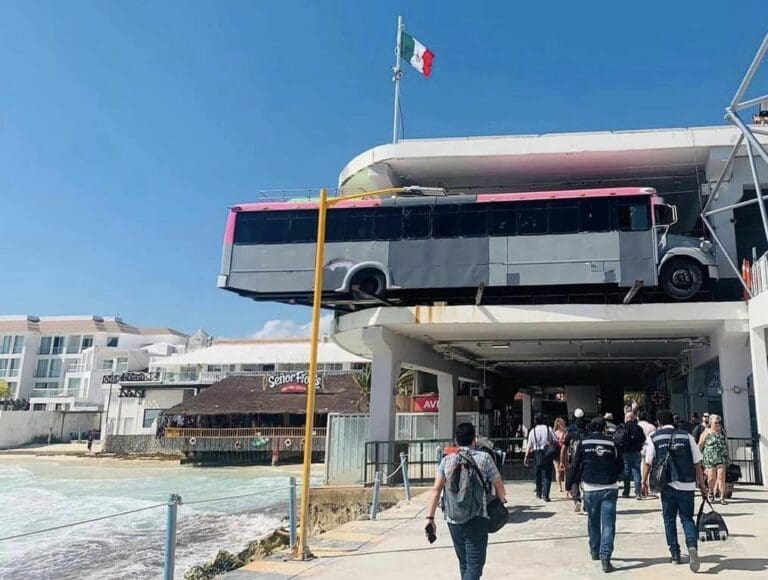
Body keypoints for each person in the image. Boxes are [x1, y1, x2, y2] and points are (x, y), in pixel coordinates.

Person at [425, 423, 506, 580]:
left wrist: (430, 518)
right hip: (478, 517)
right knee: (475, 566)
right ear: (474, 439)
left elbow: (436, 490)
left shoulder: (446, 461)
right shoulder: (484, 458)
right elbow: (498, 484)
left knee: (464, 563)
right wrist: (502, 499)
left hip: (452, 518)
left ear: (456, 440)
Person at [641, 409, 708, 572]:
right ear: (674, 420)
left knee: (669, 519)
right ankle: (692, 546)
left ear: (658, 422)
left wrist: (643, 483)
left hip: (666, 486)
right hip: (687, 485)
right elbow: (697, 463)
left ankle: (675, 554)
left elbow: (648, 462)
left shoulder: (654, 438)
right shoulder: (687, 437)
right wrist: (703, 486)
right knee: (687, 518)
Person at [566, 416, 624, 573]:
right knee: (608, 523)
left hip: (590, 488)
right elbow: (621, 465)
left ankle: (595, 551)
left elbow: (575, 464)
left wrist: (569, 484)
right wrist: (616, 476)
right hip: (609, 488)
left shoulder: (583, 443)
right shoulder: (612, 443)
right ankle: (606, 557)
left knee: (593, 521)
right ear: (604, 428)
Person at [698, 413, 729, 505]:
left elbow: (726, 444)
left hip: (721, 457)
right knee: (711, 478)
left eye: (719, 422)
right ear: (711, 423)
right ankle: (711, 491)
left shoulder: (722, 432)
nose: (718, 424)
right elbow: (700, 445)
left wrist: (728, 456)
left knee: (721, 477)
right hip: (710, 458)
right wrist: (699, 458)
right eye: (716, 423)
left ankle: (722, 497)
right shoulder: (706, 432)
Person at [524, 413, 556, 502]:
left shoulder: (532, 431)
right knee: (547, 474)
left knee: (537, 473)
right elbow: (555, 439)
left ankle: (538, 492)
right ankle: (546, 495)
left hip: (537, 452)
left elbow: (529, 444)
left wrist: (526, 456)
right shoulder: (548, 428)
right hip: (547, 452)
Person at [562, 413, 588, 512]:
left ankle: (577, 500)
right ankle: (586, 502)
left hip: (573, 461)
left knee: (574, 481)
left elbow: (564, 448)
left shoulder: (570, 431)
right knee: (585, 482)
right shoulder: (587, 432)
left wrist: (563, 460)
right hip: (585, 460)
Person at [619, 412, 646, 499]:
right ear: (633, 418)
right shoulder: (638, 428)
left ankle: (626, 492)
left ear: (626, 418)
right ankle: (638, 493)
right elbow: (643, 439)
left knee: (626, 472)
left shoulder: (622, 427)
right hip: (636, 451)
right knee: (636, 471)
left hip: (625, 452)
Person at [553, 417, 568, 493]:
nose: (563, 426)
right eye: (562, 424)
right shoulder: (556, 433)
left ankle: (566, 486)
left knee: (565, 470)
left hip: (564, 453)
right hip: (558, 453)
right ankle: (559, 486)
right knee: (558, 470)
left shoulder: (565, 433)